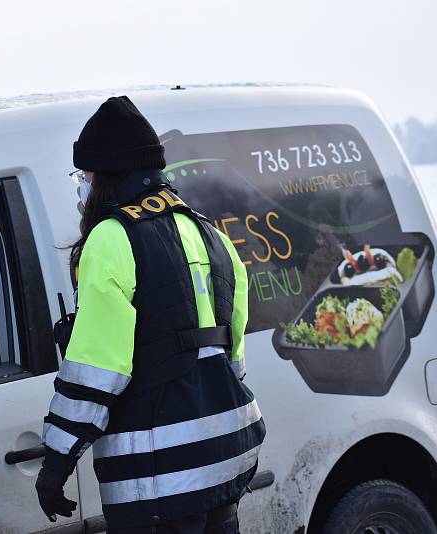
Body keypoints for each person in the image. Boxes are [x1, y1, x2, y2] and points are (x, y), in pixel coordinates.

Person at [35, 96, 266, 533]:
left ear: (105, 176)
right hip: (225, 463)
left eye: (84, 174)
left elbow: (98, 370)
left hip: (161, 479)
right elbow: (232, 360)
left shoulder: (112, 237)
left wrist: (56, 461)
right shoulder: (208, 232)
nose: (82, 184)